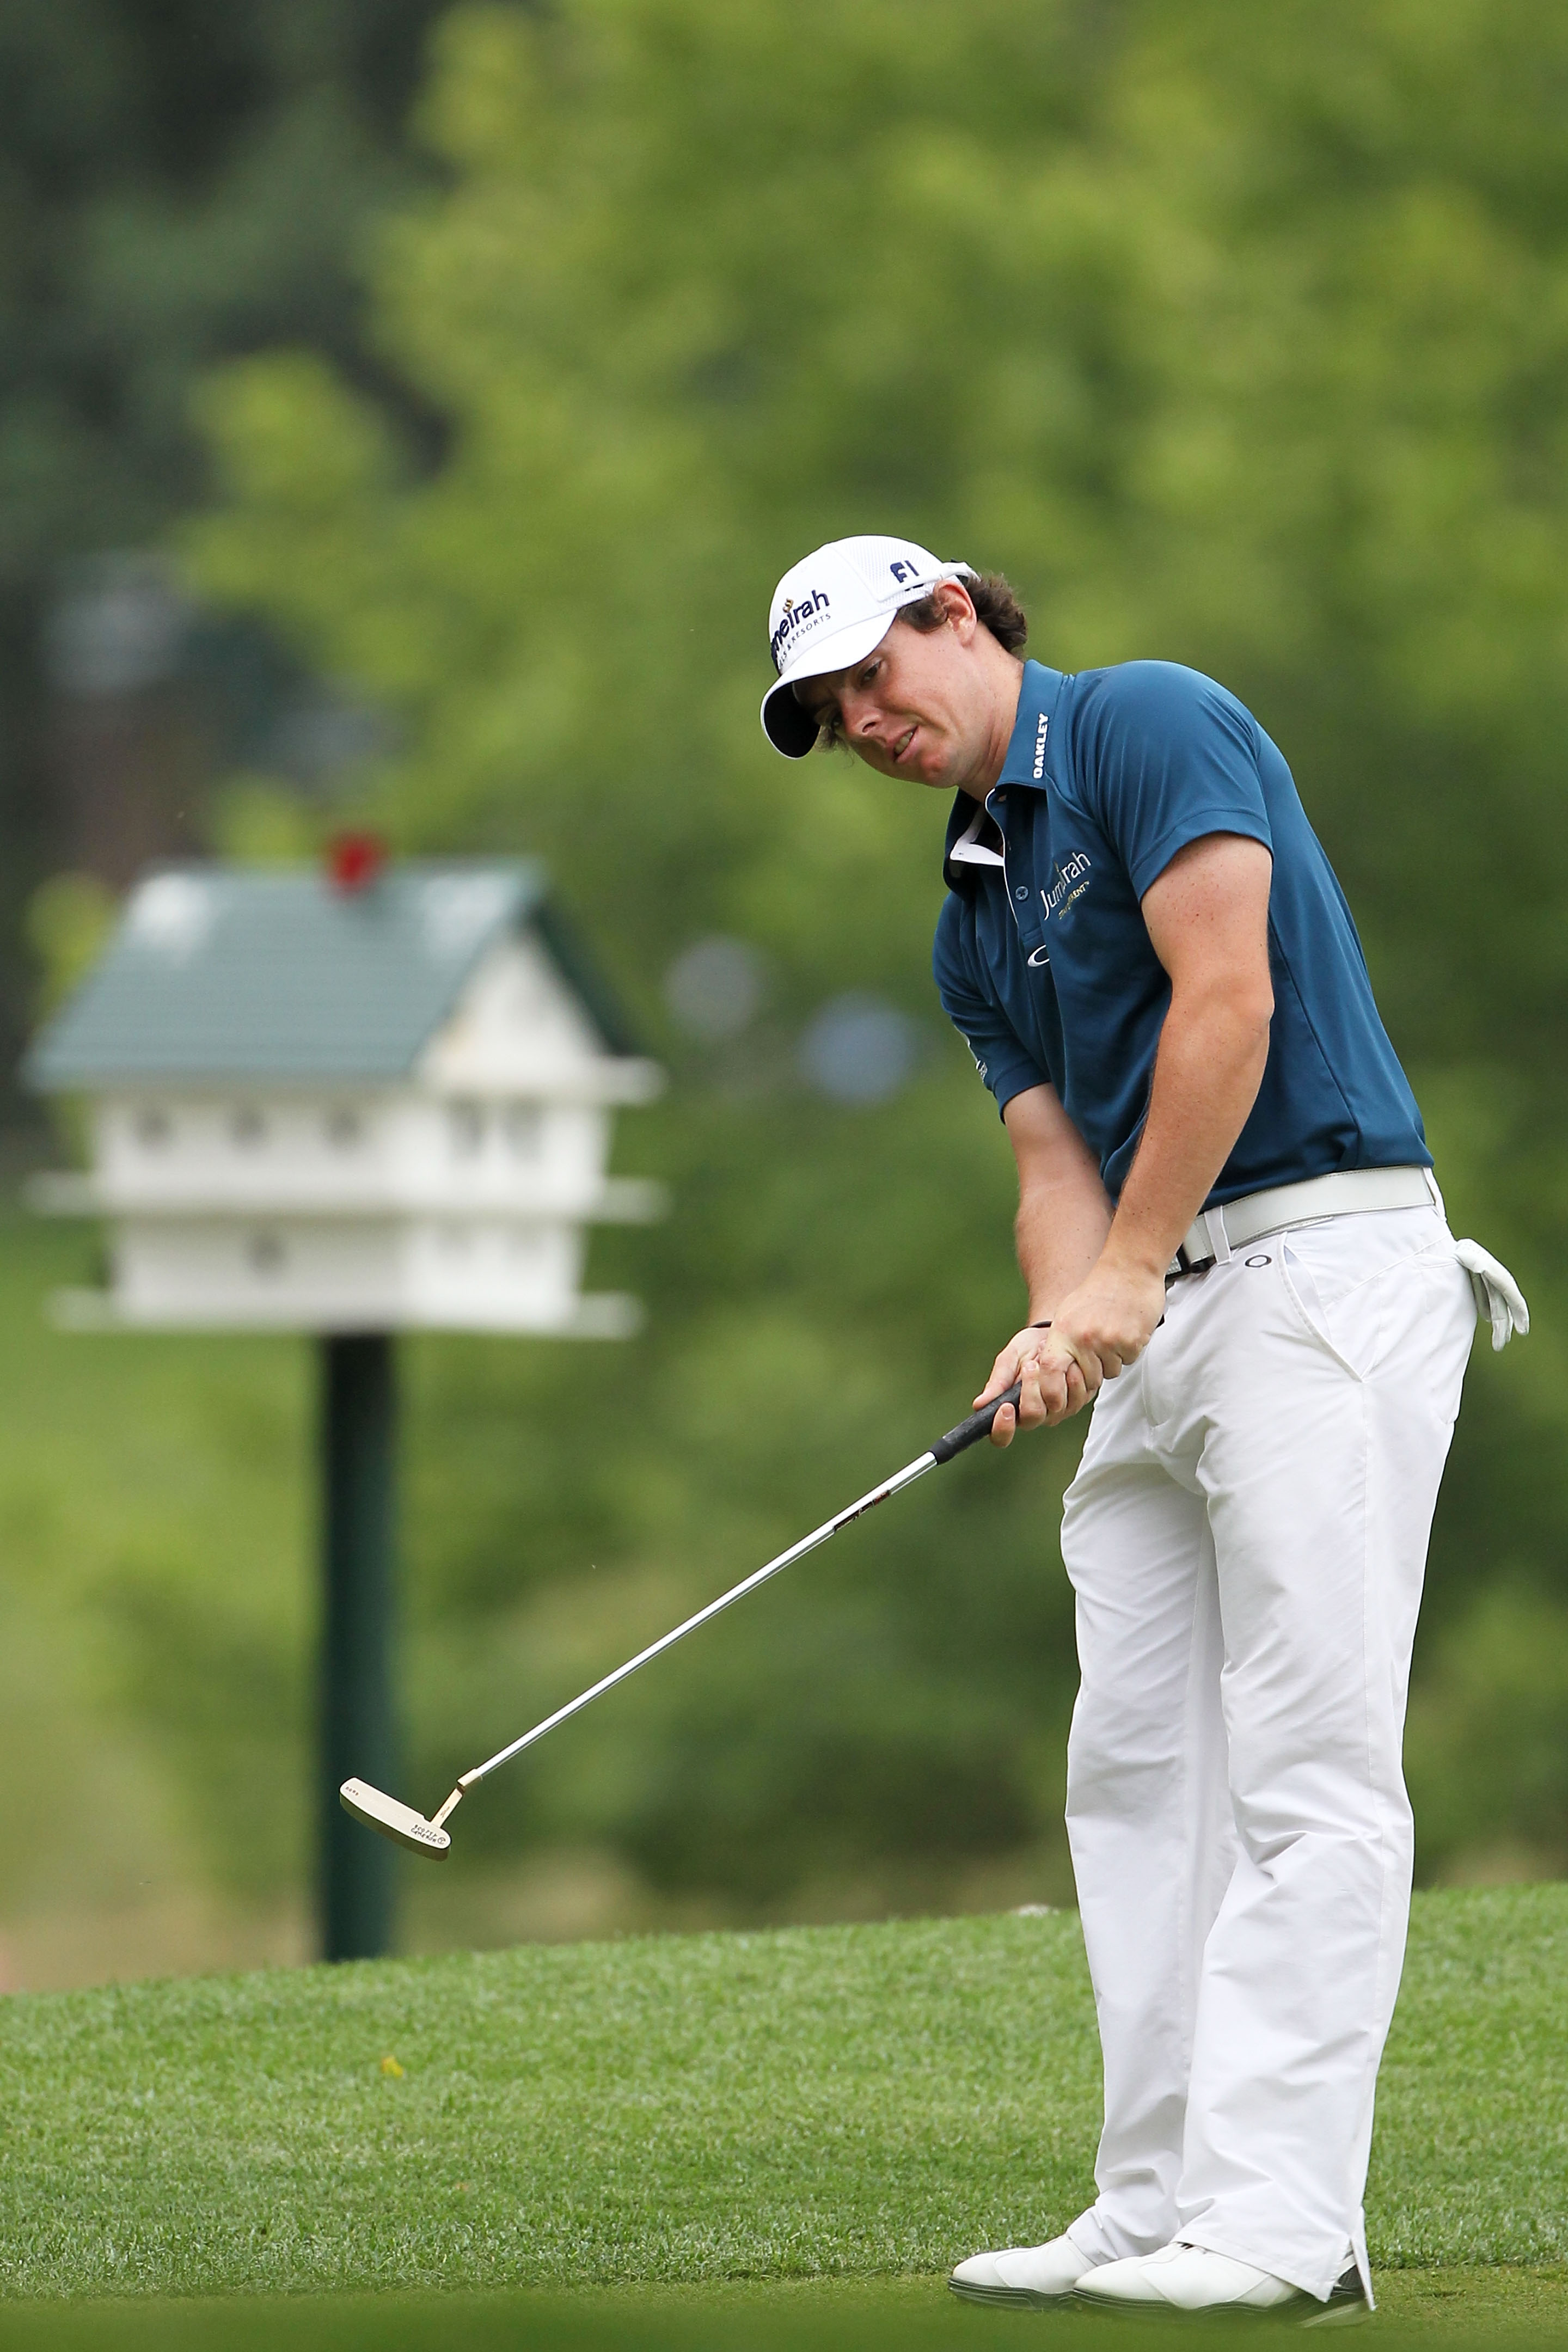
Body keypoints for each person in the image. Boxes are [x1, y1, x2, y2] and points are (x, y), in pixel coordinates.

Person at [759, 535, 1528, 2320]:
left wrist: (1114, 1283)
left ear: (956, 612)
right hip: (1162, 1307)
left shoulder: (1146, 727)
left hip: (1320, 1273)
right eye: (830, 714)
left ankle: (1283, 2219)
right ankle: (1160, 2192)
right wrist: (1063, 1312)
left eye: (877, 674)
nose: (867, 720)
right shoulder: (969, 912)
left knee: (1307, 1765)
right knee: (1135, 1772)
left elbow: (1231, 999)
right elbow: (1051, 1161)